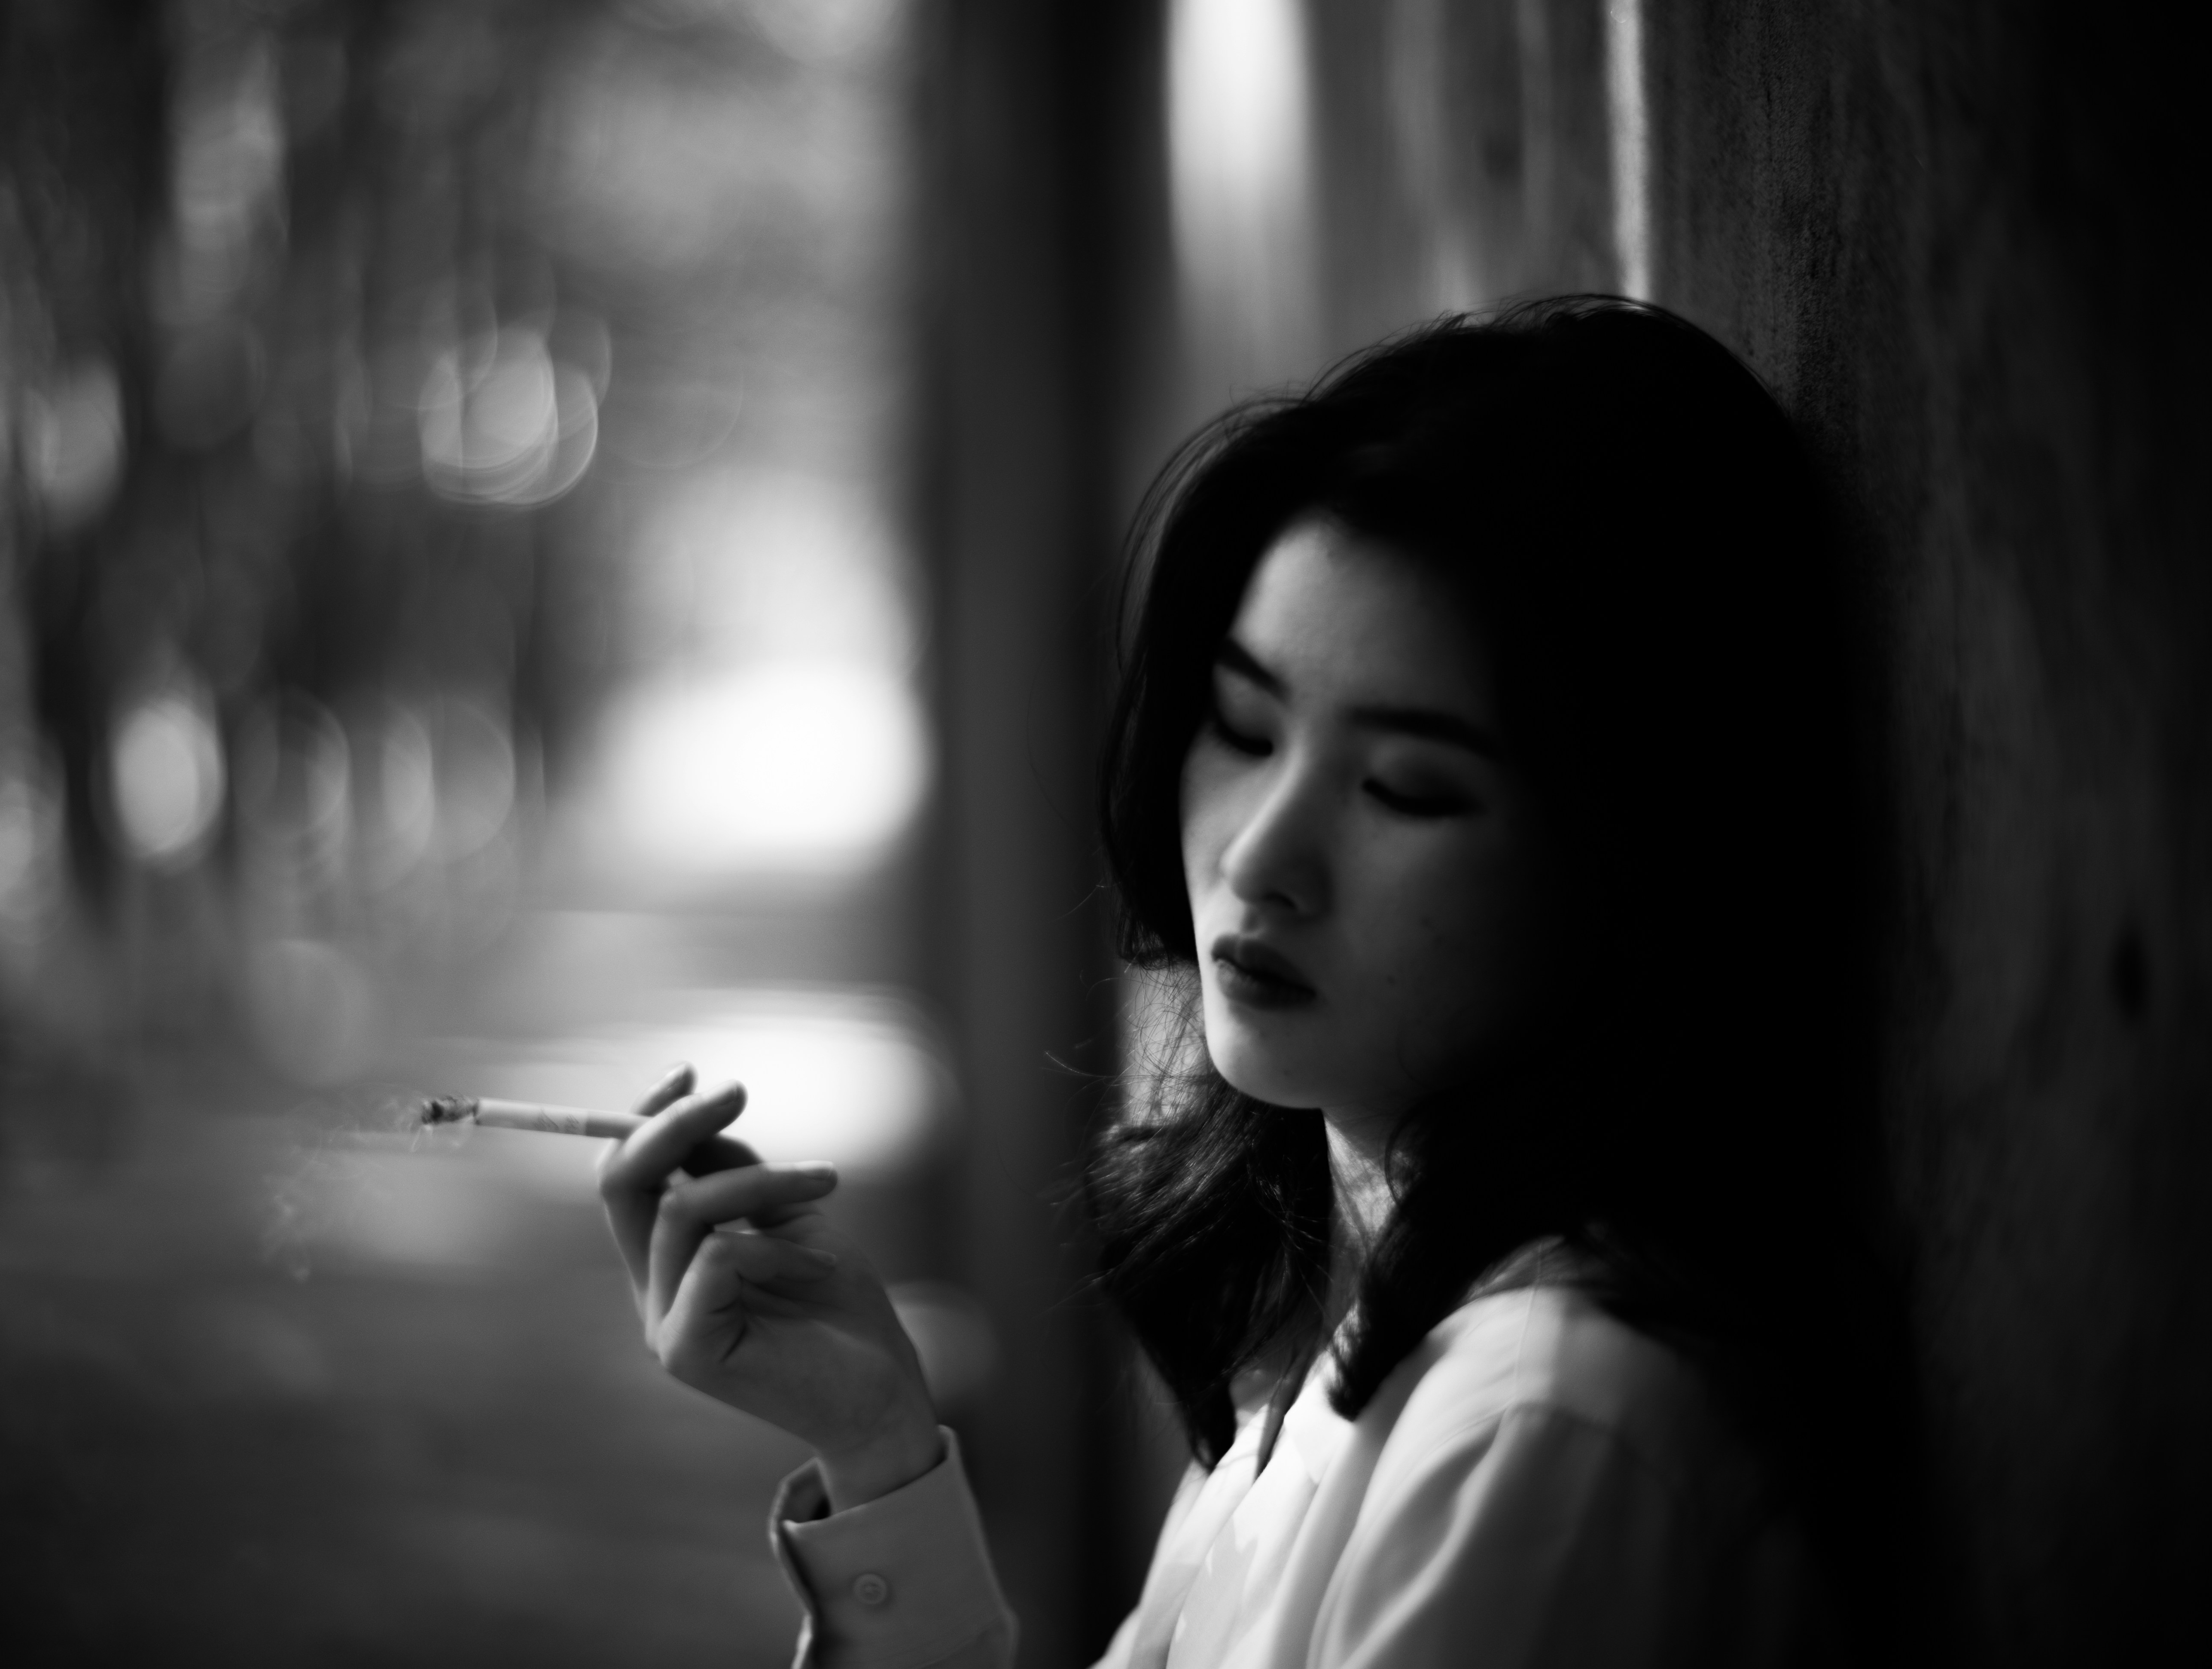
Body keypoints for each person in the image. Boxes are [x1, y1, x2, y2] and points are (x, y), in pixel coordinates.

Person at [597, 296, 1915, 1668]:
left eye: (1405, 787)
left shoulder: (1543, 1429)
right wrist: (874, 1445)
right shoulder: (1338, 1352)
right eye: (1241, 728)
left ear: (1640, 862)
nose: (1264, 854)